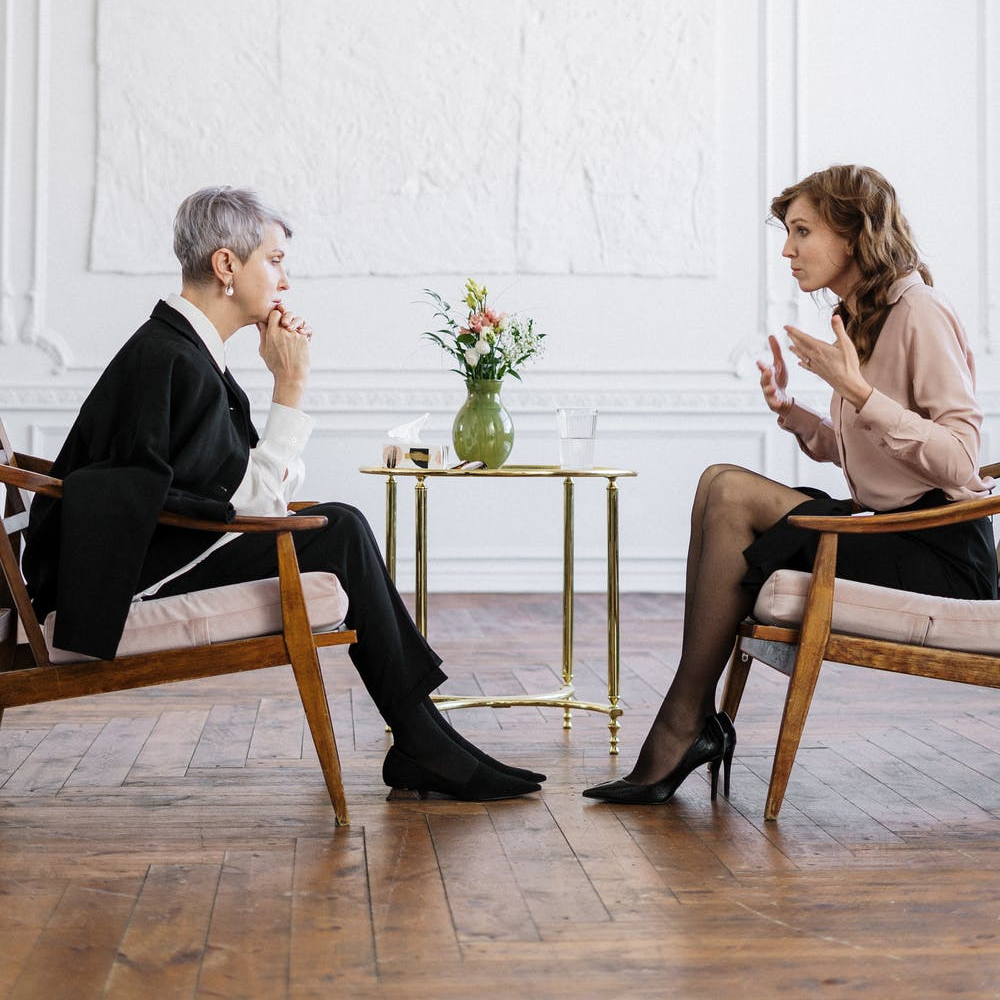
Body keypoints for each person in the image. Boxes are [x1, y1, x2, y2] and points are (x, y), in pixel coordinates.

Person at [22, 186, 544, 802]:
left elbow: (241, 487)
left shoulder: (181, 349)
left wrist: (278, 394)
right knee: (340, 527)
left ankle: (422, 736)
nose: (285, 281)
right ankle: (421, 739)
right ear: (226, 266)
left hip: (146, 550)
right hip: (126, 576)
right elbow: (254, 504)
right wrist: (290, 385)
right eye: (274, 260)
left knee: (336, 524)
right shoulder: (175, 359)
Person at [583, 164, 997, 805]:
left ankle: (683, 723)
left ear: (855, 234)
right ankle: (686, 721)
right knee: (720, 480)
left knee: (729, 492)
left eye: (802, 231)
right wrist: (794, 413)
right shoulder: (862, 315)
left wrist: (856, 389)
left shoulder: (920, 312)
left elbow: (962, 461)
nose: (787, 249)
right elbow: (872, 456)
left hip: (938, 552)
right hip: (886, 529)